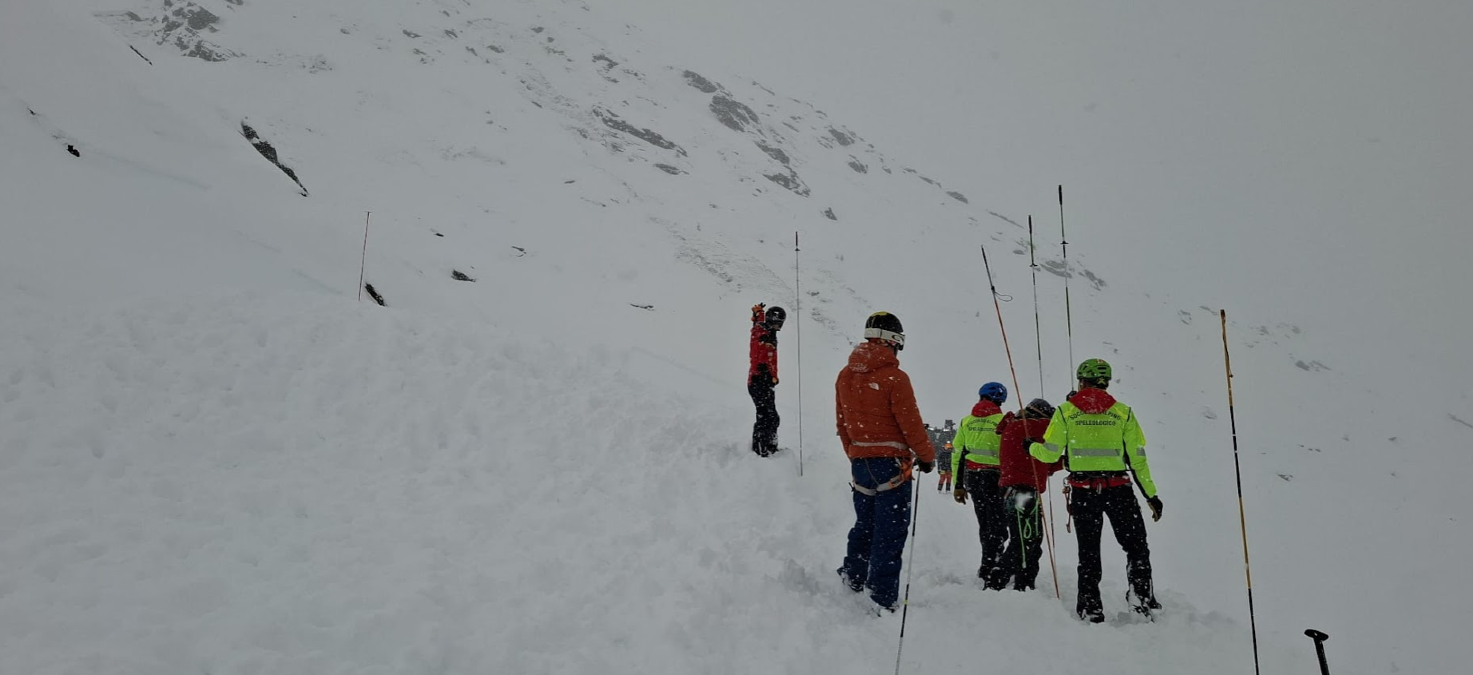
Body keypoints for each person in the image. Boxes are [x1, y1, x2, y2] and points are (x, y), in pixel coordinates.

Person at [1030, 358, 1163, 622]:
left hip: (1084, 490)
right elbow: (1137, 460)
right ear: (1106, 383)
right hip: (1120, 489)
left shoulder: (1066, 412)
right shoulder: (1123, 413)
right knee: (1136, 547)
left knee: (1088, 551)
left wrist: (1030, 447)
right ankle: (1141, 599)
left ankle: (1091, 607)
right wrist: (1151, 495)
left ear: (1081, 381)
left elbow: (1049, 454)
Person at [834, 311, 935, 613]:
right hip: (891, 464)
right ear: (894, 342)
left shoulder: (845, 375)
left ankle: (853, 575)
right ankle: (881, 595)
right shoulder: (895, 378)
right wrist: (927, 458)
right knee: (889, 532)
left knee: (864, 523)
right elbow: (911, 425)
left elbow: (842, 423)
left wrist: (853, 451)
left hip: (860, 462)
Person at [992, 398, 1063, 591]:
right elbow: (1058, 431)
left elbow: (1046, 460)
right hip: (1023, 492)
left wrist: (1060, 462)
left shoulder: (1014, 427)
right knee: (1025, 540)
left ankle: (1023, 581)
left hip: (1015, 490)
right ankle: (1000, 581)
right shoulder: (1033, 427)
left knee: (1029, 539)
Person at [951, 382, 1009, 586]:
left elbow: (958, 453)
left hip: (973, 477)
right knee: (999, 523)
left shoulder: (966, 422)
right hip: (996, 477)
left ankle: (987, 563)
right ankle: (995, 564)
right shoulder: (1004, 420)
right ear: (1000, 401)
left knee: (985, 522)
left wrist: (957, 485)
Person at [747, 303, 786, 456]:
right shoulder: (762, 333)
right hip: (758, 381)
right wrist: (762, 370)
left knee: (771, 416)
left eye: (780, 324)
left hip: (766, 381)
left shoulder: (768, 331)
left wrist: (759, 314)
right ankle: (761, 449)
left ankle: (769, 445)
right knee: (765, 416)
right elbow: (756, 348)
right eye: (776, 323)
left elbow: (758, 324)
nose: (778, 327)